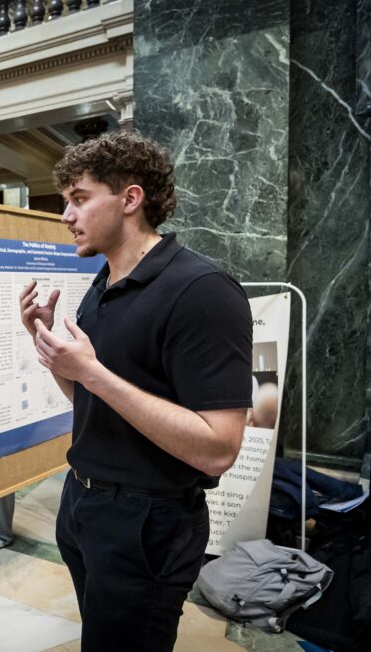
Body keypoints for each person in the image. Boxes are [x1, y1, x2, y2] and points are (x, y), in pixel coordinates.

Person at [18, 132, 252, 652]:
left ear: (130, 199)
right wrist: (49, 344)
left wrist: (93, 373)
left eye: (79, 198)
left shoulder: (203, 292)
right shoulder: (103, 285)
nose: (66, 215)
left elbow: (218, 448)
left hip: (147, 523)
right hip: (84, 504)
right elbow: (92, 402)